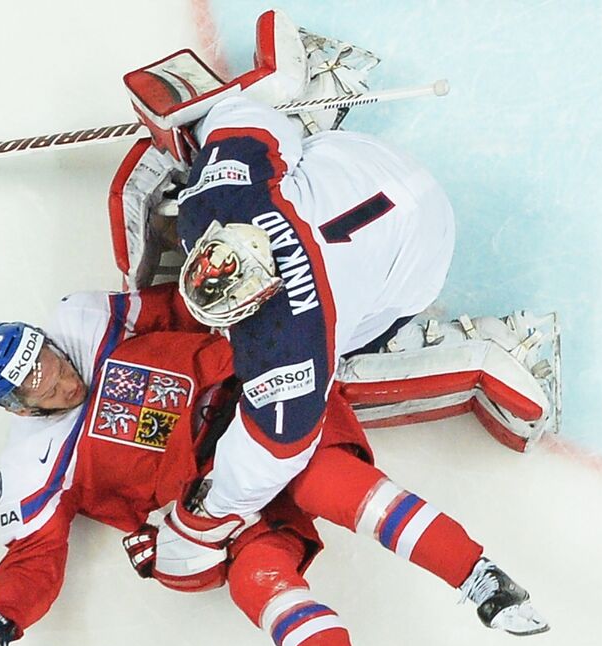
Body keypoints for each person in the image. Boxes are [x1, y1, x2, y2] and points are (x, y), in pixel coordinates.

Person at [0, 285, 549, 646]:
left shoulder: (86, 320)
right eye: (38, 384)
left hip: (259, 412)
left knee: (336, 486)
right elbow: (33, 558)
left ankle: (482, 578)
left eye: (48, 357)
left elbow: (183, 305)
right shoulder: (32, 463)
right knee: (254, 578)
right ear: (15, 406)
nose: (60, 376)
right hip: (212, 510)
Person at [101, 12, 560, 589]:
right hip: (375, 168)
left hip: (422, 258)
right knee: (277, 155)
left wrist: (199, 521)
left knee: (342, 359)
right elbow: (244, 115)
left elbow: (270, 453)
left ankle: (479, 347)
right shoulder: (217, 205)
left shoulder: (284, 340)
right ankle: (310, 95)